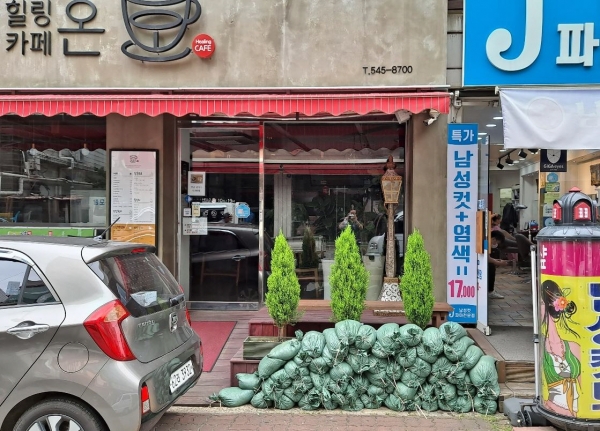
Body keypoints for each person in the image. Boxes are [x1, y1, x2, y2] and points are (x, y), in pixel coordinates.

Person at [489, 230, 511, 299]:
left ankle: (490, 290)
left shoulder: (486, 241)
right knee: (490, 266)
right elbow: (486, 258)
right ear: (493, 239)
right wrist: (498, 262)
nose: (495, 244)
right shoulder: (486, 243)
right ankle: (490, 291)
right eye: (496, 242)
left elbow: (487, 257)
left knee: (491, 265)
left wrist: (497, 260)